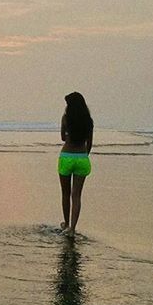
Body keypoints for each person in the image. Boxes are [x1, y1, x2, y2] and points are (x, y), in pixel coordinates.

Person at [58, 92, 93, 238]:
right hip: (82, 158)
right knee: (76, 195)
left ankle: (66, 224)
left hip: (66, 157)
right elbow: (89, 144)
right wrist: (83, 154)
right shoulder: (88, 121)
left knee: (65, 193)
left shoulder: (66, 119)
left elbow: (62, 137)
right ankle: (72, 228)